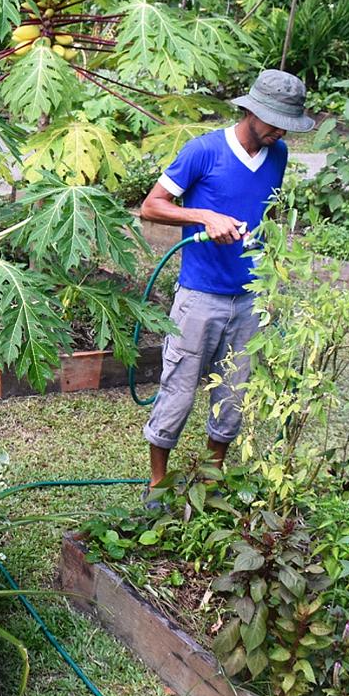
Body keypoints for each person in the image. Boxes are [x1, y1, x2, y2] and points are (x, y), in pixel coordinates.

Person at [137, 69, 314, 495]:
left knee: (234, 395)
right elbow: (151, 206)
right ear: (249, 109)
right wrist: (204, 215)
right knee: (178, 392)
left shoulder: (279, 154)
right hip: (200, 296)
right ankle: (157, 484)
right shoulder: (204, 151)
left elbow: (265, 211)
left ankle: (212, 478)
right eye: (273, 120)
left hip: (250, 298)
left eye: (285, 124)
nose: (277, 131)